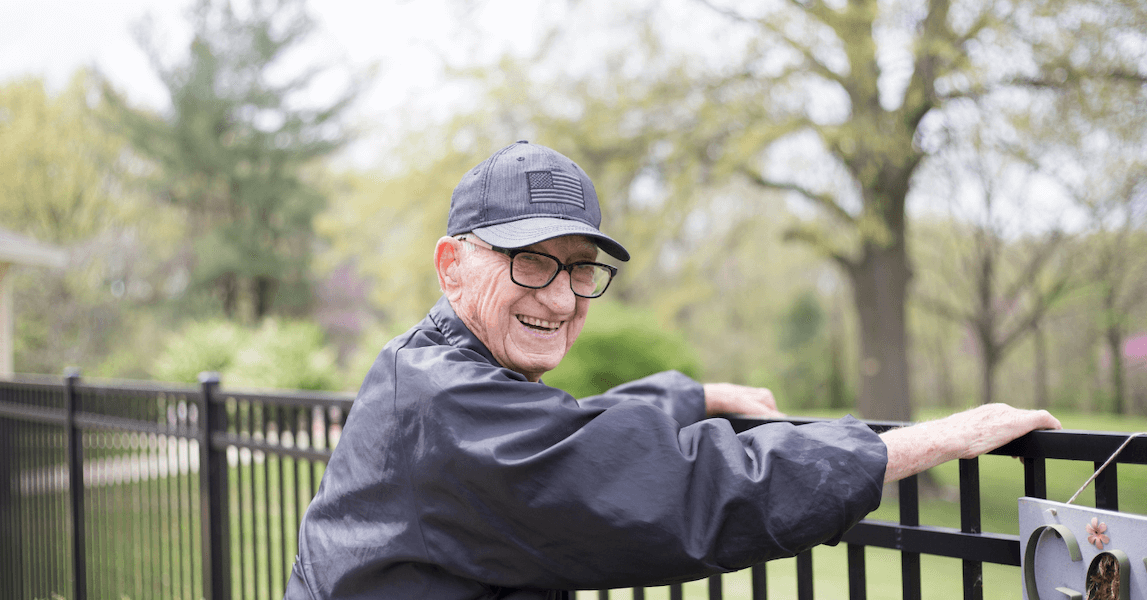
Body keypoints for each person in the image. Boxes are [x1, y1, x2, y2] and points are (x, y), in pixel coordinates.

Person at [285, 141, 1060, 599]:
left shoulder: (430, 368)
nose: (558, 299)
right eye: (529, 263)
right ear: (452, 266)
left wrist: (692, 394)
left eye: (578, 268)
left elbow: (566, 435)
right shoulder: (442, 405)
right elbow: (674, 487)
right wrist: (911, 445)